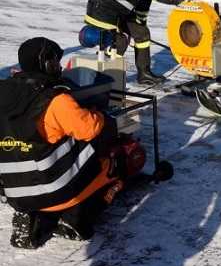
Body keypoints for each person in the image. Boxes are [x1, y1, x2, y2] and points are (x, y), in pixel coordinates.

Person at [0, 37, 134, 249]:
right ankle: (73, 218)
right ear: (45, 62)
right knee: (103, 149)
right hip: (54, 188)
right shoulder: (54, 99)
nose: (59, 66)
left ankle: (32, 215)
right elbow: (90, 129)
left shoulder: (5, 92)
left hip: (14, 191)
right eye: (55, 60)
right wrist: (100, 116)